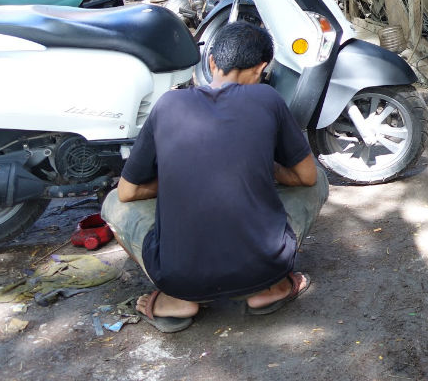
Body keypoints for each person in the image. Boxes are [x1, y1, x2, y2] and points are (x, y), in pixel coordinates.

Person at [101, 21, 328, 332]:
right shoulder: (268, 99)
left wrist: (174, 180)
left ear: (210, 62)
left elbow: (127, 192)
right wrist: (264, 168)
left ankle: (176, 298)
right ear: (261, 69)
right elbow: (306, 176)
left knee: (113, 202)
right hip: (263, 268)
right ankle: (268, 289)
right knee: (319, 180)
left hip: (180, 277)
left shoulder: (167, 104)